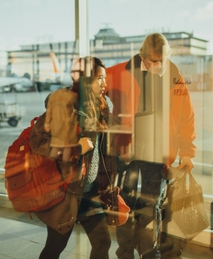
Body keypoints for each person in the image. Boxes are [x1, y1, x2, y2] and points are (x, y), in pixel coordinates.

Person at [105, 33, 196, 258]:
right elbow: (91, 86)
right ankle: (125, 252)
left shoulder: (174, 75)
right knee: (123, 203)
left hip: (157, 154)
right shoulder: (121, 71)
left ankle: (146, 248)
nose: (159, 65)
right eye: (154, 61)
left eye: (162, 60)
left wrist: (187, 152)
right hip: (128, 152)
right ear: (143, 56)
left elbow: (187, 115)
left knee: (151, 206)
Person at [29, 56, 111, 259]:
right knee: (55, 247)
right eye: (100, 78)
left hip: (90, 191)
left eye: (105, 78)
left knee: (103, 242)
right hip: (66, 193)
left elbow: (102, 149)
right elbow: (37, 142)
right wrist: (76, 149)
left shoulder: (101, 106)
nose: (104, 84)